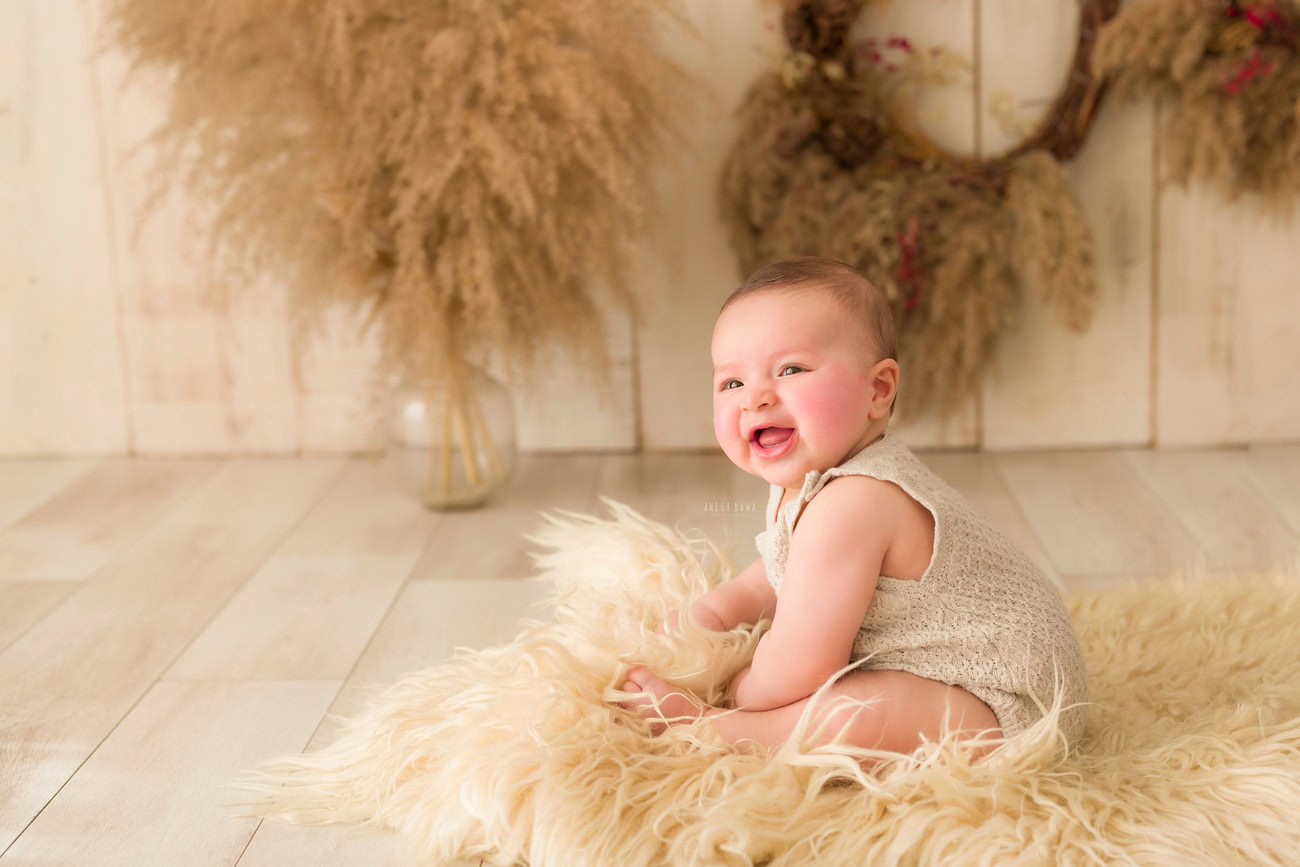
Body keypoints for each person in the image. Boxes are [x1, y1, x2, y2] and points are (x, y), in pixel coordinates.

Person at [614, 256, 1089, 767]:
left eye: (790, 369)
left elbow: (801, 669)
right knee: (866, 695)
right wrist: (715, 612)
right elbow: (783, 573)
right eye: (732, 383)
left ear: (878, 390)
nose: (755, 399)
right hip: (961, 675)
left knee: (856, 712)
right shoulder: (810, 479)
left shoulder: (855, 500)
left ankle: (714, 730)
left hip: (1007, 705)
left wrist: (740, 685)